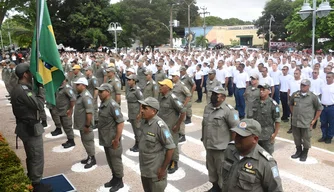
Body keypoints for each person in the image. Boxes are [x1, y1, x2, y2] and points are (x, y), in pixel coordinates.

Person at [10, 63, 52, 192]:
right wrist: (41, 89)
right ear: (25, 74)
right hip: (30, 128)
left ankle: (32, 178)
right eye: (30, 72)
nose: (32, 74)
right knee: (36, 156)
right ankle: (36, 184)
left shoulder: (21, 88)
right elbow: (39, 105)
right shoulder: (23, 91)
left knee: (32, 155)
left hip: (26, 126)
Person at [222, 119, 283, 192]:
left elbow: (276, 189)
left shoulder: (266, 163)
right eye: (237, 134)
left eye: (242, 136)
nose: (237, 138)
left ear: (255, 139)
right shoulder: (229, 150)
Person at [202, 86, 239, 192]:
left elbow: (235, 130)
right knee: (211, 169)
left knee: (222, 172)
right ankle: (215, 187)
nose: (212, 96)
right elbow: (204, 125)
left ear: (223, 97)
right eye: (212, 94)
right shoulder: (208, 107)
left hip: (221, 148)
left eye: (215, 95)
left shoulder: (229, 110)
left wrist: (231, 146)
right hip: (209, 145)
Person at [138, 97, 175, 192]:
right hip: (145, 168)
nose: (141, 110)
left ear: (153, 111)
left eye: (145, 108)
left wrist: (163, 169)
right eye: (142, 107)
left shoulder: (160, 126)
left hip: (155, 171)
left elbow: (170, 148)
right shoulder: (144, 122)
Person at [96, 83, 125, 191]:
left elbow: (120, 123)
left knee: (116, 160)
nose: (99, 94)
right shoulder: (104, 104)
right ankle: (114, 178)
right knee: (110, 160)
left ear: (108, 92)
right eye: (99, 91)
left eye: (101, 91)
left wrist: (117, 139)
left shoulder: (113, 105)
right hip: (106, 138)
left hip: (113, 139)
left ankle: (119, 181)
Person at [289, 79, 323, 161]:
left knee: (306, 138)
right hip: (296, 121)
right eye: (301, 85)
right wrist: (294, 113)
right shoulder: (295, 94)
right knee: (296, 138)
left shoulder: (313, 97)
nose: (302, 87)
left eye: (304, 85)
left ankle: (305, 153)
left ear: (308, 86)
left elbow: (319, 108)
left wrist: (314, 120)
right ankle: (298, 151)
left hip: (306, 122)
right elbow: (290, 104)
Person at [158, 79, 186, 174]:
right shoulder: (161, 97)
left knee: (173, 145)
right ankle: (167, 161)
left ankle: (174, 162)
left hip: (171, 127)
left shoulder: (172, 98)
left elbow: (183, 111)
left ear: (168, 88)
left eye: (162, 86)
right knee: (165, 144)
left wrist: (177, 125)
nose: (160, 87)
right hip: (163, 127)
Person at [73, 77, 96, 169]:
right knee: (85, 141)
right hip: (82, 124)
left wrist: (87, 125)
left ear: (83, 85)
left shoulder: (86, 97)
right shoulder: (81, 95)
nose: (76, 86)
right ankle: (89, 156)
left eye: (78, 84)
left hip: (86, 125)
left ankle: (92, 159)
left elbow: (89, 112)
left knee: (88, 142)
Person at [52, 78, 76, 148]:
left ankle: (71, 141)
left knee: (68, 126)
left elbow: (73, 98)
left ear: (65, 80)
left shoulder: (67, 88)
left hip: (66, 111)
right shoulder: (59, 87)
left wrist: (70, 109)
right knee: (65, 126)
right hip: (60, 111)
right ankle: (69, 139)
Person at [170, 70, 191, 143]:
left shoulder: (181, 85)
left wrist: (184, 105)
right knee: (175, 120)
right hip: (174, 106)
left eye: (173, 76)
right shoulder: (172, 84)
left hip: (180, 106)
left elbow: (188, 95)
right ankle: (177, 133)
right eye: (172, 76)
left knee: (181, 121)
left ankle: (182, 135)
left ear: (177, 76)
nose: (172, 78)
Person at [126, 74, 144, 152]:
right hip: (131, 113)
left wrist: (140, 114)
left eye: (130, 80)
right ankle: (137, 143)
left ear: (134, 81)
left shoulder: (137, 90)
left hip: (136, 113)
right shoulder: (129, 89)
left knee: (138, 130)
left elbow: (142, 102)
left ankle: (139, 145)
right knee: (135, 130)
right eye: (128, 80)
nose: (128, 81)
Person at [319, 72, 334, 144]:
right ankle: (324, 135)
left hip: (331, 107)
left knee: (331, 123)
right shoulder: (323, 85)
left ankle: (329, 137)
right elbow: (320, 95)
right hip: (323, 107)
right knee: (323, 122)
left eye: (329, 77)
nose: (327, 78)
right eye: (327, 77)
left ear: (333, 78)